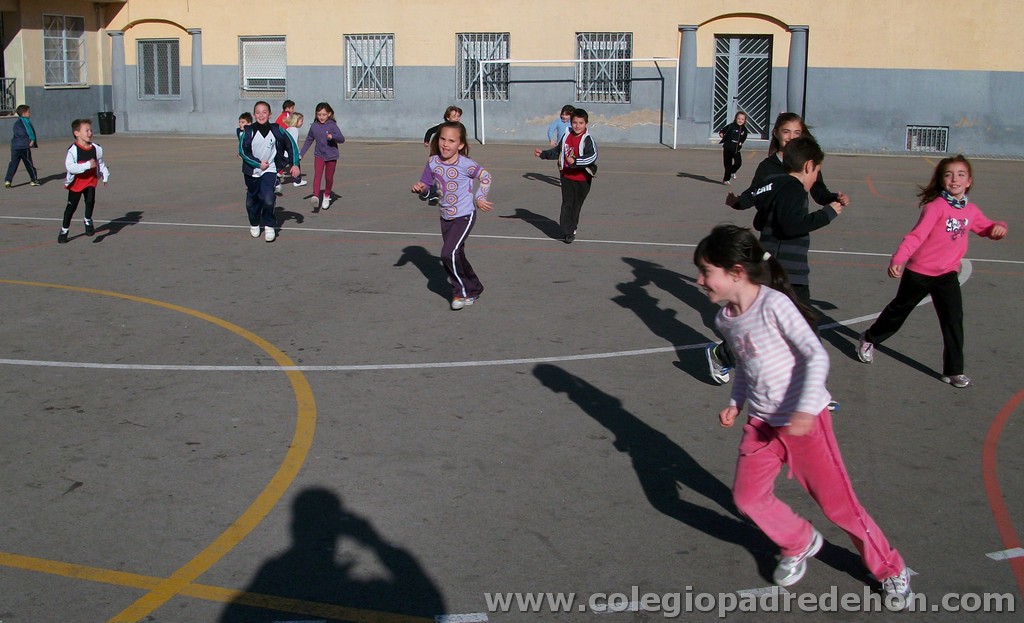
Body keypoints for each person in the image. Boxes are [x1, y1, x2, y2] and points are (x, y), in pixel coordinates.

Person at [694, 223, 912, 602]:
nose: (700, 280)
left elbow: (815, 354)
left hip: (804, 423)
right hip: (761, 425)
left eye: (706, 271)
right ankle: (798, 541)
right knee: (747, 499)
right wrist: (735, 403)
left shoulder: (774, 305)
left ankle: (890, 568)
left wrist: (807, 407)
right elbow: (745, 366)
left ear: (736, 272)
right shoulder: (725, 319)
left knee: (840, 507)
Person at [709, 114, 850, 384]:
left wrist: (831, 200)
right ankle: (727, 355)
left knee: (789, 322)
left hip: (790, 259)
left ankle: (807, 385)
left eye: (797, 133)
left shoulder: (803, 171)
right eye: (787, 132)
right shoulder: (772, 169)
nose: (792, 137)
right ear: (776, 134)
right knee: (785, 322)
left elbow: (818, 191)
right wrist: (739, 203)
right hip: (778, 256)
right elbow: (757, 196)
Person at [856, 155, 1008, 388]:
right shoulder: (935, 207)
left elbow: (985, 227)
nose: (954, 179)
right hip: (920, 271)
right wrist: (899, 258)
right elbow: (916, 236)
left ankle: (954, 371)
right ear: (941, 180)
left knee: (953, 320)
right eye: (948, 175)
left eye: (960, 175)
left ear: (969, 181)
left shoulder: (971, 211)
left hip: (947, 274)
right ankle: (869, 338)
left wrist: (999, 228)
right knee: (898, 311)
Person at [410, 121, 493, 310]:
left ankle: (460, 292)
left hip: (464, 215)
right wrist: (421, 190)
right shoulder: (432, 162)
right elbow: (428, 193)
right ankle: (475, 287)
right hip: (445, 215)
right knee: (457, 254)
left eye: (451, 141)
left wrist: (480, 197)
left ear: (461, 144)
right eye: (442, 139)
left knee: (447, 253)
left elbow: (486, 177)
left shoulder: (466, 164)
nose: (446, 144)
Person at [238, 101, 300, 242]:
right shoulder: (248, 131)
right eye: (258, 112)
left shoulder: (277, 130)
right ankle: (254, 223)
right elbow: (243, 151)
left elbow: (291, 145)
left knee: (268, 197)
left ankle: (269, 226)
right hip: (252, 170)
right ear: (254, 115)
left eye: (264, 112)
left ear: (270, 114)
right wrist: (258, 164)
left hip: (270, 169)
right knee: (251, 201)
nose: (261, 115)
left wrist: (295, 164)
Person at [535, 108, 598, 244]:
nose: (577, 126)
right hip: (567, 177)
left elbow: (592, 156)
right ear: (571, 122)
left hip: (582, 179)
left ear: (586, 124)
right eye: (575, 122)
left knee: (576, 206)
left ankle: (572, 227)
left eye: (581, 123)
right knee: (567, 204)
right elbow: (558, 151)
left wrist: (576, 162)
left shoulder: (587, 139)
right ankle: (568, 232)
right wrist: (543, 154)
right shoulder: (566, 135)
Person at [58, 118, 110, 243]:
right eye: (86, 130)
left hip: (90, 180)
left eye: (91, 130)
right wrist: (86, 165)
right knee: (71, 208)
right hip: (77, 182)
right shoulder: (73, 150)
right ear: (77, 133)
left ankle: (88, 220)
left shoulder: (96, 148)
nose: (90, 133)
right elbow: (70, 167)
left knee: (90, 200)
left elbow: (100, 163)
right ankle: (64, 230)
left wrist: (105, 173)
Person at [299, 102, 345, 211]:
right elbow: (309, 140)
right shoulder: (314, 126)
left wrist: (333, 136)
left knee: (329, 178)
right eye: (319, 114)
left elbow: (342, 139)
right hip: (319, 155)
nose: (321, 117)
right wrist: (301, 153)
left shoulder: (332, 125)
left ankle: (327, 195)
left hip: (331, 156)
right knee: (317, 175)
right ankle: (315, 196)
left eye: (324, 114)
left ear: (329, 114)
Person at [5, 104, 40, 188]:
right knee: (28, 163)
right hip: (24, 146)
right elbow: (29, 131)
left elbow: (17, 134)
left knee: (13, 163)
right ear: (23, 113)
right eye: (28, 112)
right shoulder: (25, 121)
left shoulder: (17, 123)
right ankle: (33, 180)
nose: (30, 113)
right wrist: (32, 139)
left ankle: (8, 180)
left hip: (15, 146)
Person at [717, 111, 749, 184]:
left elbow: (744, 137)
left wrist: (741, 142)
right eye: (738, 118)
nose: (740, 121)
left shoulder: (744, 130)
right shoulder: (731, 126)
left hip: (736, 149)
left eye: (742, 119)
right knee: (727, 164)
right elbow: (722, 131)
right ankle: (726, 179)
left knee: (738, 163)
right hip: (728, 147)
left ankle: (732, 171)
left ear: (744, 120)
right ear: (735, 118)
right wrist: (721, 134)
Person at [285, 113, 307, 187]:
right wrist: (298, 154)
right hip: (291, 153)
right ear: (296, 121)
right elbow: (293, 143)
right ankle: (297, 181)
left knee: (282, 166)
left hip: (286, 153)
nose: (302, 123)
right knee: (296, 165)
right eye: (301, 121)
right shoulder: (294, 130)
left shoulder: (288, 128)